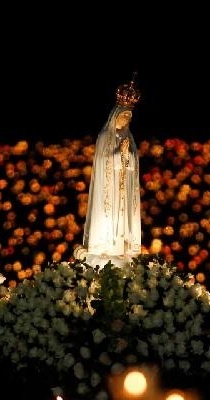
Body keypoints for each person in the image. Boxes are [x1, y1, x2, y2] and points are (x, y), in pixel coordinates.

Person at [78, 75, 142, 268]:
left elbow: (133, 164)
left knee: (122, 218)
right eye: (124, 116)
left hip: (123, 189)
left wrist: (127, 155)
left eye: (129, 117)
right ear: (116, 115)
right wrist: (118, 155)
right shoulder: (105, 136)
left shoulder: (128, 137)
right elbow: (103, 160)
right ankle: (105, 244)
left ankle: (123, 245)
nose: (126, 120)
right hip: (109, 188)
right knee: (109, 216)